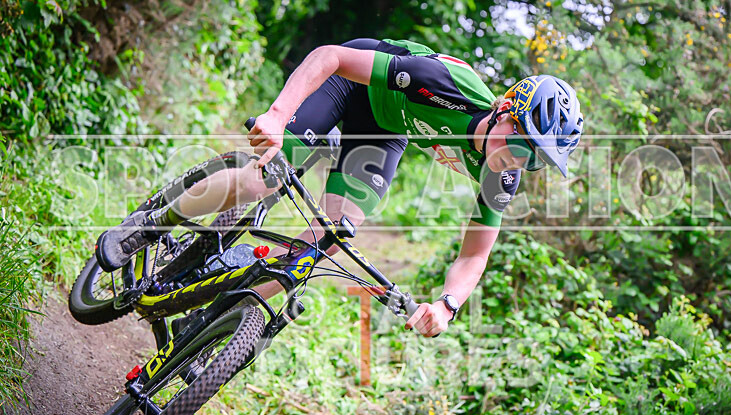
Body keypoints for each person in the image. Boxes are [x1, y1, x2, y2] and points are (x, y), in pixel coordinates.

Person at [95, 38, 584, 337]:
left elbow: (475, 255)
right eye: (520, 140)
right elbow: (329, 57)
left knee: (329, 238)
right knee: (260, 176)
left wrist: (448, 306)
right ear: (505, 109)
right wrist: (277, 116)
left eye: (534, 157)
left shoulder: (504, 174)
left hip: (384, 129)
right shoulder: (448, 84)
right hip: (350, 81)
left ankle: (216, 325)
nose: (518, 157)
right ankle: (148, 225)